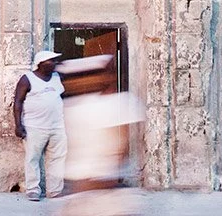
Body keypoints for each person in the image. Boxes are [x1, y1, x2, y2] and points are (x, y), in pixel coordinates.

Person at [60, 56, 146, 215]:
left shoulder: (118, 104)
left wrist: (102, 179)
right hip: (83, 187)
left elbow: (122, 148)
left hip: (101, 186)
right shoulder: (73, 107)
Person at [13, 49, 67, 202]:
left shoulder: (57, 78)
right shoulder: (27, 79)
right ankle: (33, 190)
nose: (54, 63)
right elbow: (18, 102)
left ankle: (54, 191)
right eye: (51, 61)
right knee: (32, 159)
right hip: (34, 127)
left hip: (57, 127)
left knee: (57, 159)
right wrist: (18, 125)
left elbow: (61, 97)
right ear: (40, 64)